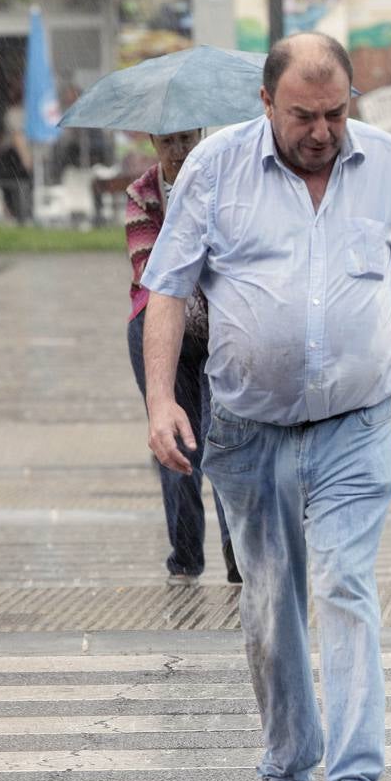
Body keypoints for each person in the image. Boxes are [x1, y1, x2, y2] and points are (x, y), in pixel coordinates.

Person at [139, 32, 391, 781]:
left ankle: (355, 780)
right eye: (303, 114)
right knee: (273, 605)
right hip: (247, 429)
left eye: (336, 111)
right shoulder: (214, 170)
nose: (322, 131)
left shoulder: (385, 164)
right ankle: (285, 774)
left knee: (347, 584)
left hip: (355, 422)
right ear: (266, 103)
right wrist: (162, 401)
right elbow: (166, 289)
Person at [124, 128, 239, 586]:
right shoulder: (142, 193)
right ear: (153, 142)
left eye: (187, 139)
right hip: (156, 324)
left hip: (220, 328)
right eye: (168, 141)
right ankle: (185, 557)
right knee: (175, 444)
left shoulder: (225, 183)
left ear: (202, 136)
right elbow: (153, 271)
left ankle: (240, 560)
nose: (179, 149)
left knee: (226, 440)